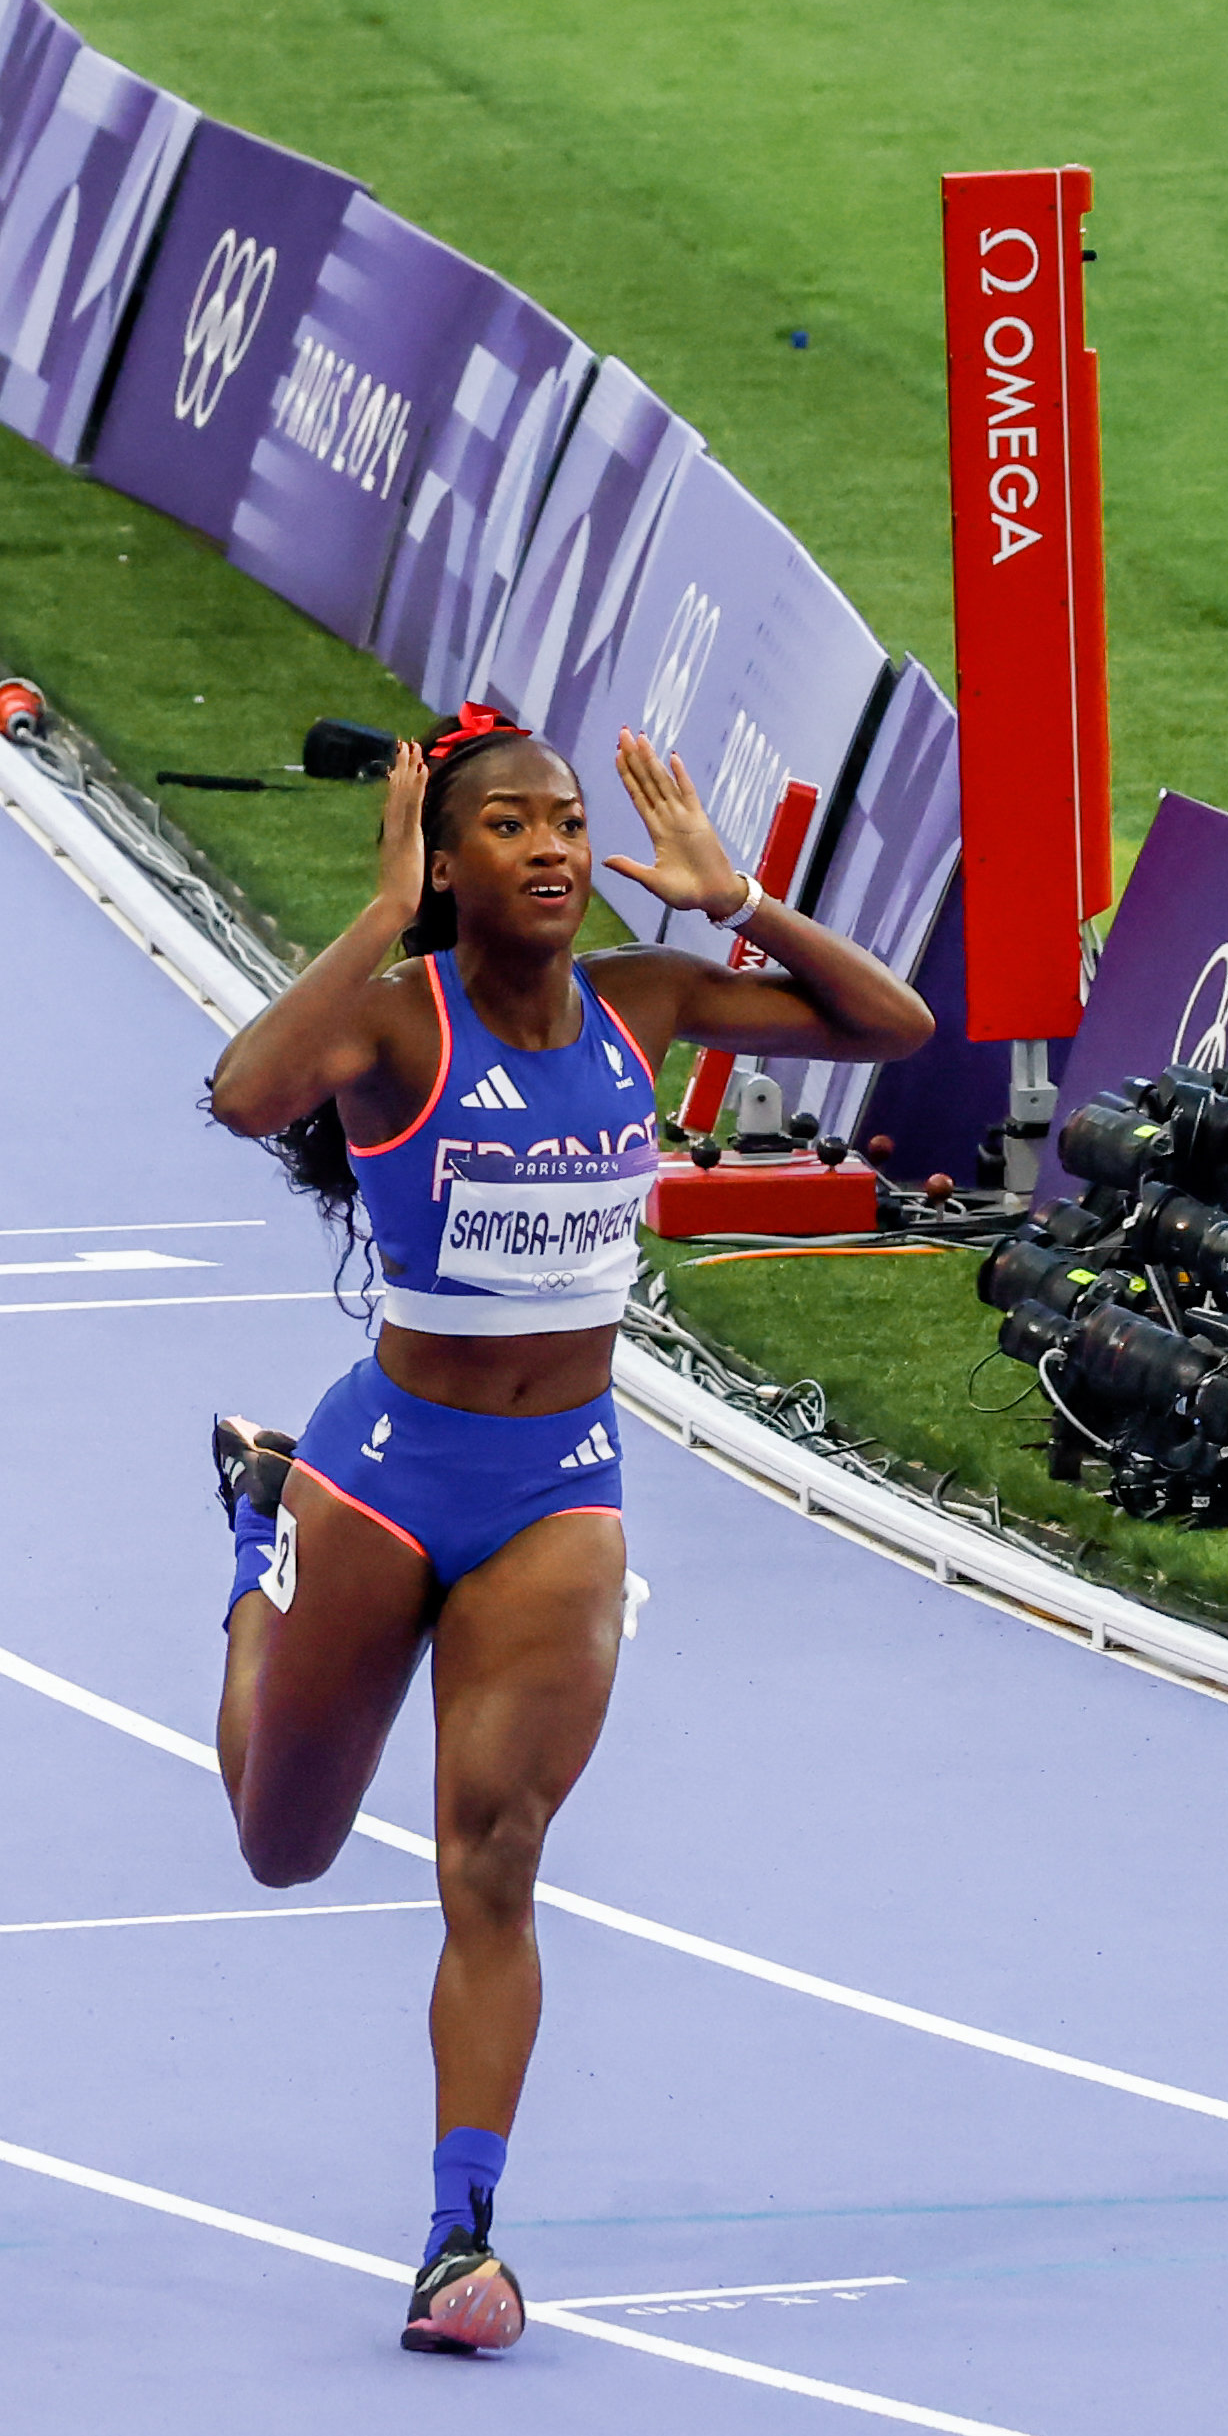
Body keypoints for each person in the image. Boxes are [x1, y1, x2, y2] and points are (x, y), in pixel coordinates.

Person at [202, 706, 930, 2352]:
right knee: (281, 1842)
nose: (554, 848)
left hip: (559, 1489)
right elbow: (245, 1093)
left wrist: (736, 898)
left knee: (497, 1856)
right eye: (512, 826)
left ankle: (461, 2237)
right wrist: (385, 915)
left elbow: (894, 1025)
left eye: (570, 823)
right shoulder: (398, 1025)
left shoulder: (644, 1003)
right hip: (383, 1470)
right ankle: (257, 1546)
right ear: (452, 860)